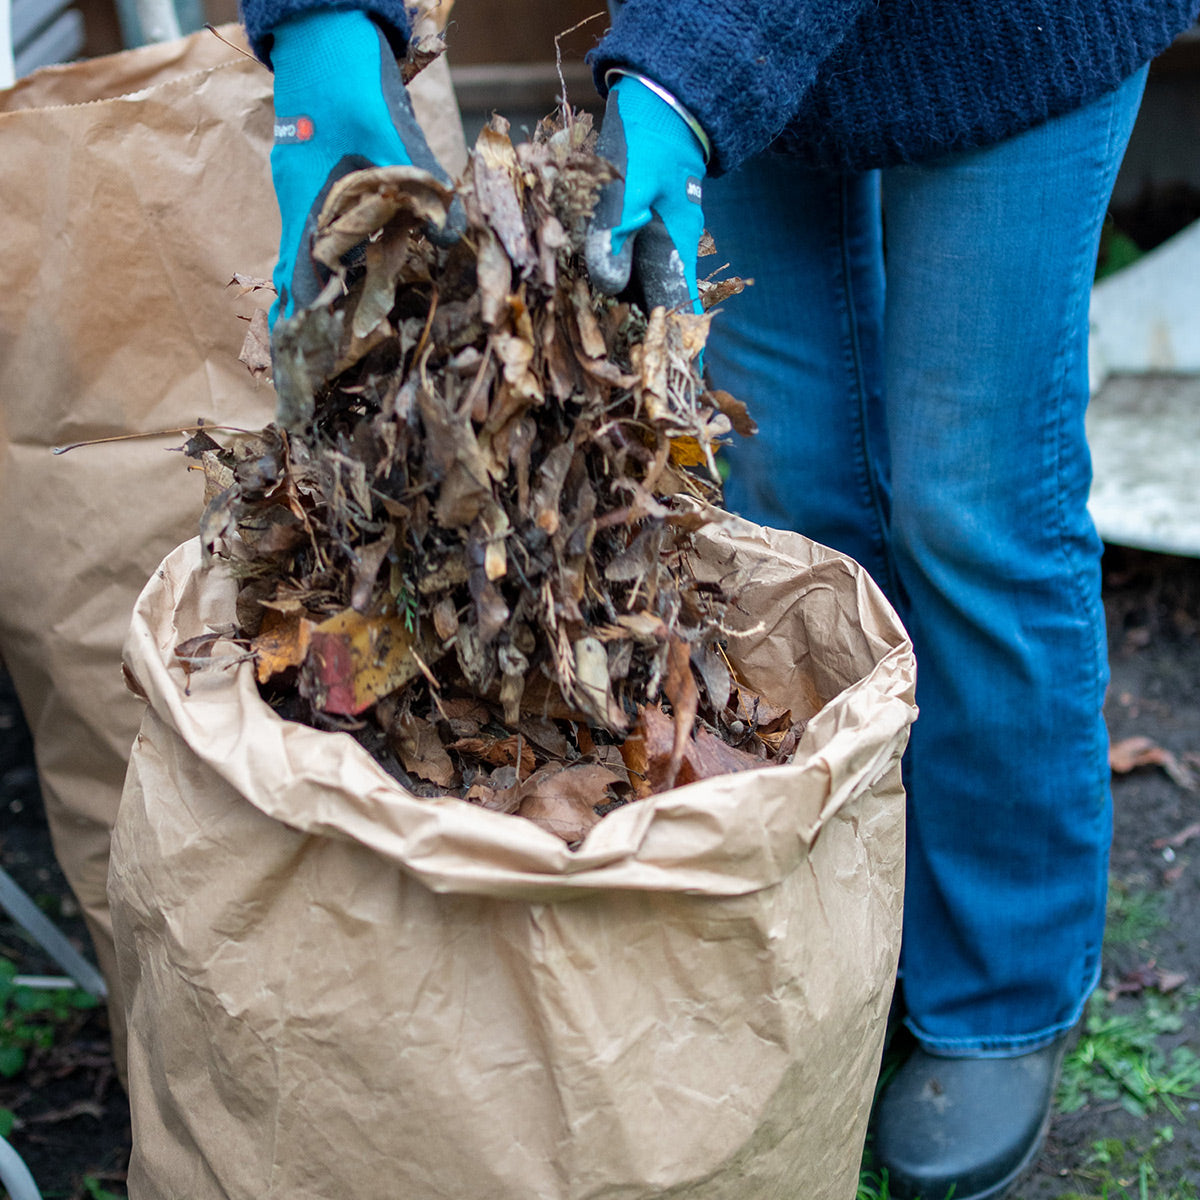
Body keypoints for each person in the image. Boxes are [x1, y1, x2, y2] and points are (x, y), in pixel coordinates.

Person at [235, 2, 1200, 1196]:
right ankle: (870, 915)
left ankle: (1004, 984)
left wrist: (687, 86)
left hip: (1000, 26)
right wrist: (323, 33)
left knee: (971, 495)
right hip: (749, 35)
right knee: (796, 481)